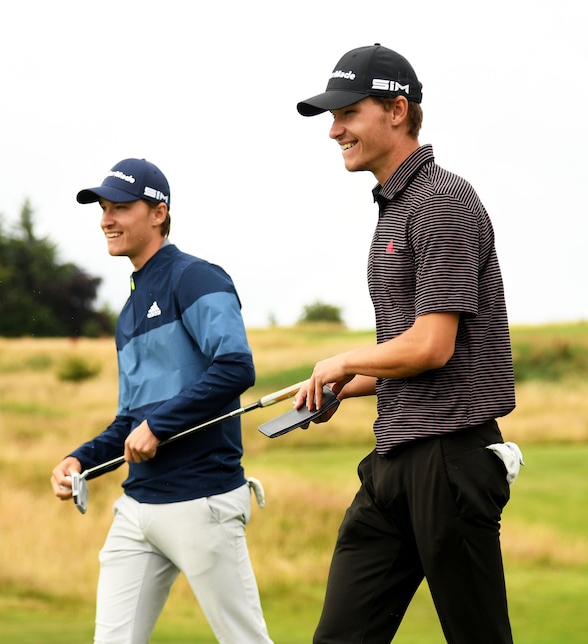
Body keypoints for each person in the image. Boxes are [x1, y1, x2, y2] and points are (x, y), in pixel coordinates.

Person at [293, 44, 519, 643]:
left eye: (347, 112)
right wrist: (344, 381)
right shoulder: (394, 208)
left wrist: (343, 358)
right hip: (394, 462)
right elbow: (405, 354)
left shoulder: (442, 201)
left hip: (450, 461)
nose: (334, 129)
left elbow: (432, 347)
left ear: (398, 110)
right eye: (330, 117)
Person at [50, 158, 273, 644]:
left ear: (158, 213)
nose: (107, 219)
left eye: (121, 207)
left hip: (203, 501)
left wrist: (160, 427)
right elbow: (131, 420)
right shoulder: (129, 312)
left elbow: (236, 367)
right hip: (139, 508)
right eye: (104, 208)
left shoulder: (195, 277)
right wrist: (79, 460)